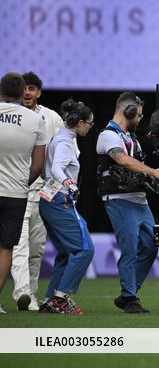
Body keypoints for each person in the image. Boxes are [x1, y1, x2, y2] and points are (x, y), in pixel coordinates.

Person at [96, 92, 159, 314]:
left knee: (150, 247)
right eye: (138, 115)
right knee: (129, 248)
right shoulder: (108, 136)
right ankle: (130, 297)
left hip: (139, 201)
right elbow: (122, 160)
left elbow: (138, 173)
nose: (140, 119)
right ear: (128, 112)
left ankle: (129, 292)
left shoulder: (131, 138)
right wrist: (154, 172)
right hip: (119, 200)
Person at [37, 100, 96, 315]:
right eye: (89, 123)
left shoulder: (60, 137)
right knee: (85, 249)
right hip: (59, 201)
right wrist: (69, 183)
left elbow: (47, 171)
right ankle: (60, 299)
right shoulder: (65, 142)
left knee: (66, 252)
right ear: (79, 123)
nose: (90, 127)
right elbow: (56, 169)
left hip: (49, 200)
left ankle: (50, 299)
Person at [10, 72, 62, 312]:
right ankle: (21, 292)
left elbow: (61, 155)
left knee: (36, 248)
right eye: (24, 88)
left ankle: (29, 295)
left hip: (42, 192)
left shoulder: (51, 118)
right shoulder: (9, 117)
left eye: (32, 88)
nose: (28, 92)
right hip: (15, 190)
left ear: (39, 92)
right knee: (18, 245)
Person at [0, 73, 47, 315]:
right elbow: (38, 165)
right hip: (17, 193)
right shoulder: (35, 119)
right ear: (22, 94)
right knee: (7, 248)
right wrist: (20, 183)